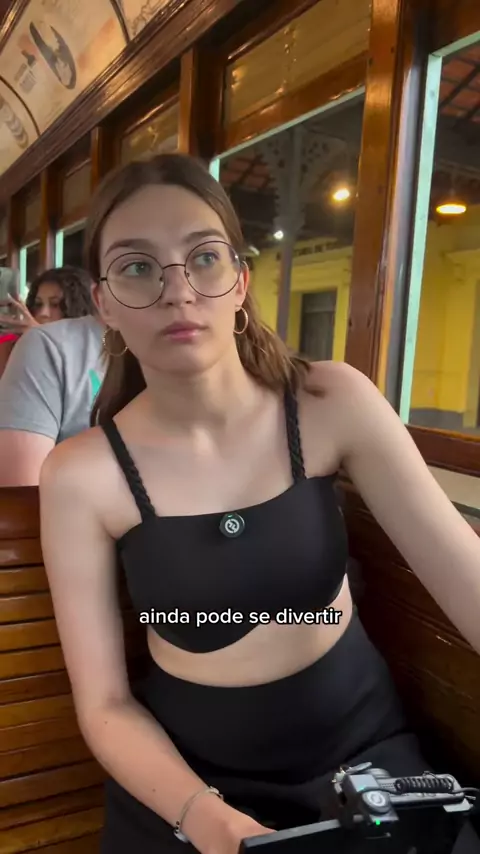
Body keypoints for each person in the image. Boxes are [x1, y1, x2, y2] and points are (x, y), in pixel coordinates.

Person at [39, 154, 480, 854]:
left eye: (203, 258)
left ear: (240, 281)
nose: (178, 292)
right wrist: (205, 817)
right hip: (189, 784)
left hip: (364, 760)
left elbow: (467, 579)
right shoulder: (82, 475)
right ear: (106, 303)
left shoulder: (332, 402)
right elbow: (105, 704)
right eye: (138, 267)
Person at [0, 266, 103, 485]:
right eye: (38, 304)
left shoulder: (96, 350)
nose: (44, 313)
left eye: (56, 305)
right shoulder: (19, 347)